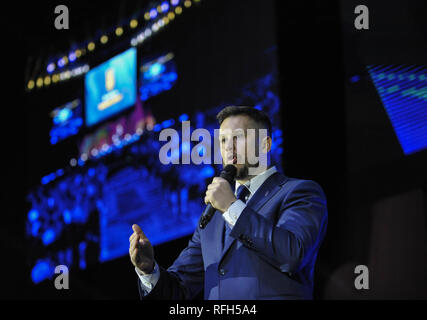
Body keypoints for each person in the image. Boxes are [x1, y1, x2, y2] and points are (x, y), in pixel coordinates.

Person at [129, 106, 328, 300]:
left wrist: (232, 207)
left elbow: (292, 254)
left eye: (238, 138)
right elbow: (179, 287)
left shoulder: (299, 192)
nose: (228, 147)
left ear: (265, 145)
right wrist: (148, 270)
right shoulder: (213, 214)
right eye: (223, 140)